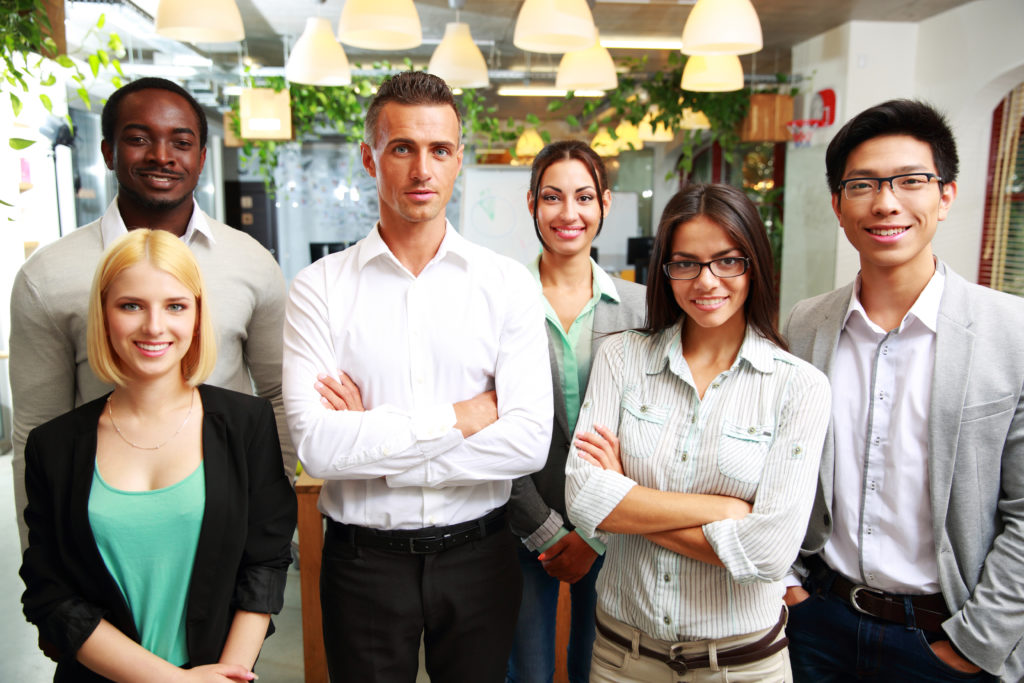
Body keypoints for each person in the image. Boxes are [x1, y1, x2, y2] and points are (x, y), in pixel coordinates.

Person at [283, 70, 553, 683]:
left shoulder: (506, 284)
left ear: (459, 159)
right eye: (402, 147)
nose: (421, 170)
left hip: (481, 555)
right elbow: (318, 447)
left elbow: (528, 442)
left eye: (439, 150)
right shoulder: (319, 288)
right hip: (364, 565)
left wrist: (373, 439)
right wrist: (463, 418)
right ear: (369, 157)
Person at [782, 99, 1024, 682]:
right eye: (863, 184)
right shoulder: (804, 326)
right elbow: (778, 467)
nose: (886, 202)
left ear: (946, 195)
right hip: (818, 626)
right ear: (838, 205)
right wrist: (788, 588)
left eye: (911, 181)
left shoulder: (1012, 333)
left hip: (947, 641)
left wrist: (975, 645)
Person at [10, 76, 294, 552]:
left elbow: (278, 396)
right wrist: (41, 564)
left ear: (201, 157)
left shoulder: (251, 262)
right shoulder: (49, 276)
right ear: (107, 152)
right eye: (139, 139)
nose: (162, 155)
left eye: (181, 142)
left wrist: (270, 518)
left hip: (223, 523)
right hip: (104, 522)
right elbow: (37, 429)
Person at [565, 183, 831, 682]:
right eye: (685, 263)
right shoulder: (622, 358)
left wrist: (628, 501)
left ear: (754, 264)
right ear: (664, 271)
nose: (706, 281)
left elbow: (771, 551)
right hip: (623, 658)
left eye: (727, 261)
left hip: (741, 666)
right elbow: (583, 497)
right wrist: (726, 512)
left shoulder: (799, 386)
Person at [19, 229, 297, 682]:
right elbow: (51, 594)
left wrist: (230, 675)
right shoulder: (53, 446)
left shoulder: (247, 423)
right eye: (131, 305)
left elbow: (264, 562)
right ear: (104, 315)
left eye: (175, 306)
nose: (154, 326)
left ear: (197, 315)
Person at [505, 140, 645, 683]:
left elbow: (650, 425)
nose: (569, 214)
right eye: (553, 197)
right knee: (529, 673)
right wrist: (543, 529)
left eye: (584, 197)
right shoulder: (501, 300)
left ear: (605, 203)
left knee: (602, 669)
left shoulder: (641, 307)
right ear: (532, 204)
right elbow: (490, 429)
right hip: (519, 521)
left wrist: (595, 534)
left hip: (616, 526)